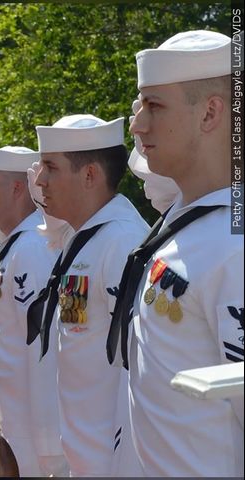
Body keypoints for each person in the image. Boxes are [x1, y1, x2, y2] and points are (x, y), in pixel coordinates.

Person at [114, 30, 243, 477]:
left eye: (154, 106)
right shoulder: (186, 222)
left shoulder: (234, 244)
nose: (137, 125)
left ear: (210, 113)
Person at [28, 114, 148, 476]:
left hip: (113, 463)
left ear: (90, 175)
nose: (39, 179)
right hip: (84, 458)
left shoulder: (122, 242)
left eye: (51, 167)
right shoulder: (83, 238)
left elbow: (137, 371)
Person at [0, 146, 67, 477]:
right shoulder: (15, 244)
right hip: (20, 424)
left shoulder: (33, 249)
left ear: (16, 189)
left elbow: (43, 350)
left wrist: (48, 448)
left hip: (36, 436)